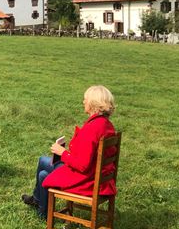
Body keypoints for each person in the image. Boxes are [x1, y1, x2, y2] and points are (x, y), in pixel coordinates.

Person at [21, 85, 118, 217]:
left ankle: (42, 213)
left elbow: (82, 165)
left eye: (85, 99)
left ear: (93, 104)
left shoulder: (92, 129)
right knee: (43, 160)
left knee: (44, 174)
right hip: (98, 176)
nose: (83, 102)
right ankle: (37, 200)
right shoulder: (105, 124)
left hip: (87, 180)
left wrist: (62, 152)